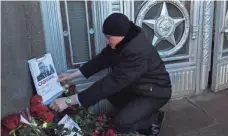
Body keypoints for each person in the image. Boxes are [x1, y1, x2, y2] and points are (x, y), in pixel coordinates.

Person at [49, 13, 172, 135]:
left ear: (121, 34)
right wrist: (71, 76)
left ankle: (153, 119)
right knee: (111, 94)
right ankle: (137, 112)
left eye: (109, 37)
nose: (107, 41)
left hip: (155, 92)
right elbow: (102, 59)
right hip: (139, 86)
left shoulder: (138, 52)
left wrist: (68, 101)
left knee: (121, 123)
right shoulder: (124, 40)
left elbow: (112, 82)